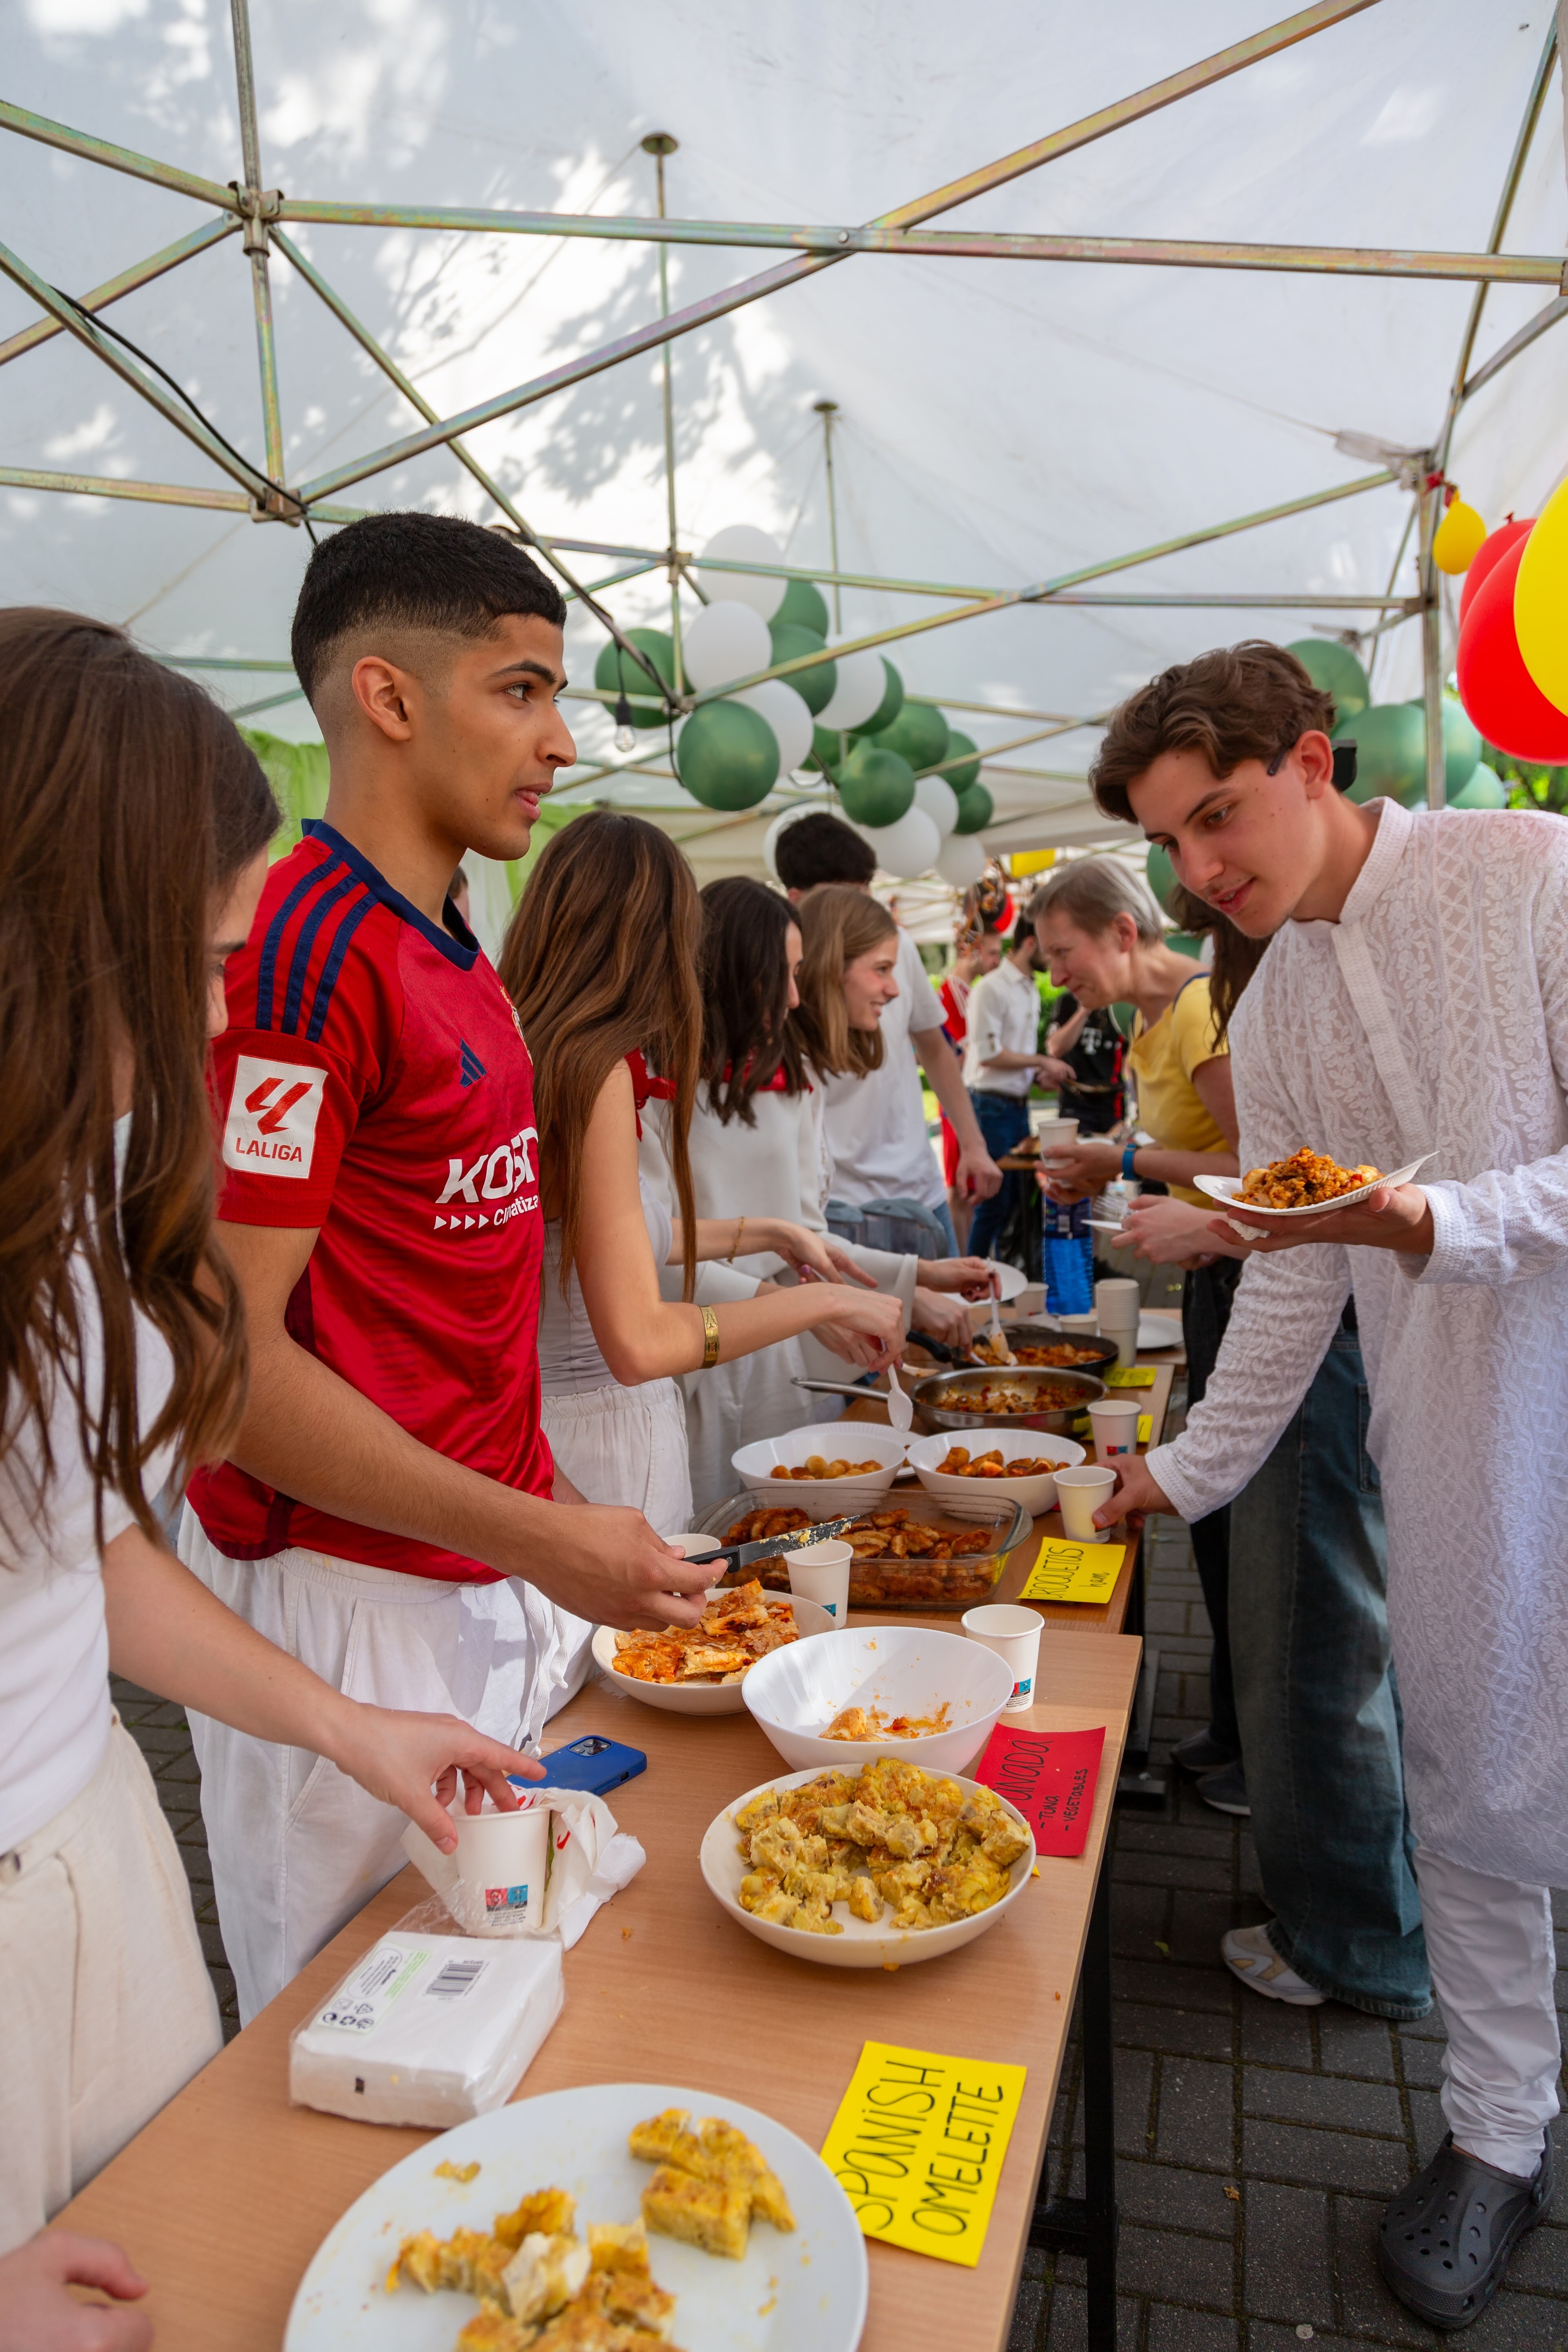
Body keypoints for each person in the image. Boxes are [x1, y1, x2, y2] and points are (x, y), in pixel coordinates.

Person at [0, 611, 539, 2271]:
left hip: (98, 1839)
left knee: (200, 2265)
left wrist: (352, 1729)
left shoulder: (76, 1166)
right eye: (203, 959)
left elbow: (84, 1554)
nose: (217, 1018)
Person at [1090, 639, 1567, 2328]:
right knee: (1466, 1784)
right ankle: (1497, 2133)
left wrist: (1437, 1218)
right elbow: (1295, 1273)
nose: (1201, 869)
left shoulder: (1530, 873)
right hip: (1441, 1441)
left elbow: (1415, 1214)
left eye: (1219, 816)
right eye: (1172, 843)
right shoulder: (1276, 999)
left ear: (1313, 761)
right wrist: (1185, 1473)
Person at [179, 513, 710, 2024]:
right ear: (388, 696)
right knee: (356, 2038)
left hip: (471, 1578)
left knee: (499, 2013)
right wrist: (537, 1531)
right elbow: (228, 1364)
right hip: (344, 1600)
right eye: (521, 690)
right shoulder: (301, 950)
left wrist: (554, 1520)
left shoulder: (458, 942)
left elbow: (449, 1299)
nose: (560, 741)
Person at [1109, 885, 1428, 2022]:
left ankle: (1358, 1942)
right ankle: (1351, 1913)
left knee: (1314, 1640)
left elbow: (1320, 1198)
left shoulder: (1294, 980)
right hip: (1319, 1339)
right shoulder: (1292, 973)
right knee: (1308, 1632)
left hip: (1323, 1352)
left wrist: (1214, 1223)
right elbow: (1302, 1190)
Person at [497, 815, 904, 1539]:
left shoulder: (538, 1049)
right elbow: (641, 1342)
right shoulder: (598, 1074)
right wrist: (822, 1302)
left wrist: (771, 1233)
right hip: (597, 1449)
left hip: (569, 1437)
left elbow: (608, 1236)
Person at [637, 878, 992, 1509]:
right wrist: (807, 1306)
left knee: (795, 1521)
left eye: (800, 975)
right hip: (693, 1356)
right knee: (714, 1529)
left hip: (777, 1355)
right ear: (737, 972)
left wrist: (917, 1274)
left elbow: (804, 1238)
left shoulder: (793, 1079)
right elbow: (651, 1253)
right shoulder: (654, 1084)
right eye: (785, 975)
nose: (796, 997)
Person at [1028, 859, 1243, 1778]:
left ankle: (1247, 1746)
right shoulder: (1140, 1018)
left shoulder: (1197, 1007)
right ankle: (1234, 1729)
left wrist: (1121, 1163)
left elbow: (1253, 1162)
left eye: (1063, 952)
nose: (1056, 975)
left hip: (1245, 1280)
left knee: (1236, 1517)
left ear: (1123, 931)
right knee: (1218, 1522)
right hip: (1208, 1279)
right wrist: (1115, 1165)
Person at [773, 811, 1001, 1251]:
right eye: (847, 898)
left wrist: (973, 1145)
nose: (867, 911)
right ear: (799, 900)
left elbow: (936, 1048)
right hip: (837, 1209)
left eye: (868, 892)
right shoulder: (783, 989)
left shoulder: (896, 944)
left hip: (921, 1191)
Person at [961, 914, 1074, 1261]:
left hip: (1015, 1105)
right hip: (989, 1105)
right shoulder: (991, 988)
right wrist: (1041, 1061)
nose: (1053, 958)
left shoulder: (1028, 989)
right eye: (1049, 949)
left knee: (1016, 1201)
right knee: (994, 1201)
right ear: (1029, 943)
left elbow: (1013, 1057)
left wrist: (1039, 1076)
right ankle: (972, 1277)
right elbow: (988, 1054)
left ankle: (1007, 1274)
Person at [938, 919, 1003, 1247]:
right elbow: (960, 1056)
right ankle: (962, 1256)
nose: (997, 961)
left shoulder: (967, 992)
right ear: (970, 951)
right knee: (961, 1187)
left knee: (970, 1186)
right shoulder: (952, 993)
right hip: (960, 1099)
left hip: (967, 1098)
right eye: (992, 953)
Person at [1045, 991, 1126, 1136]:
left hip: (1112, 1100)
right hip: (1076, 1098)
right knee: (1076, 1147)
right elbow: (1055, 1048)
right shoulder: (1068, 1001)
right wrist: (1085, 1009)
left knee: (1115, 1147)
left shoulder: (1120, 1006)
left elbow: (1131, 1058)